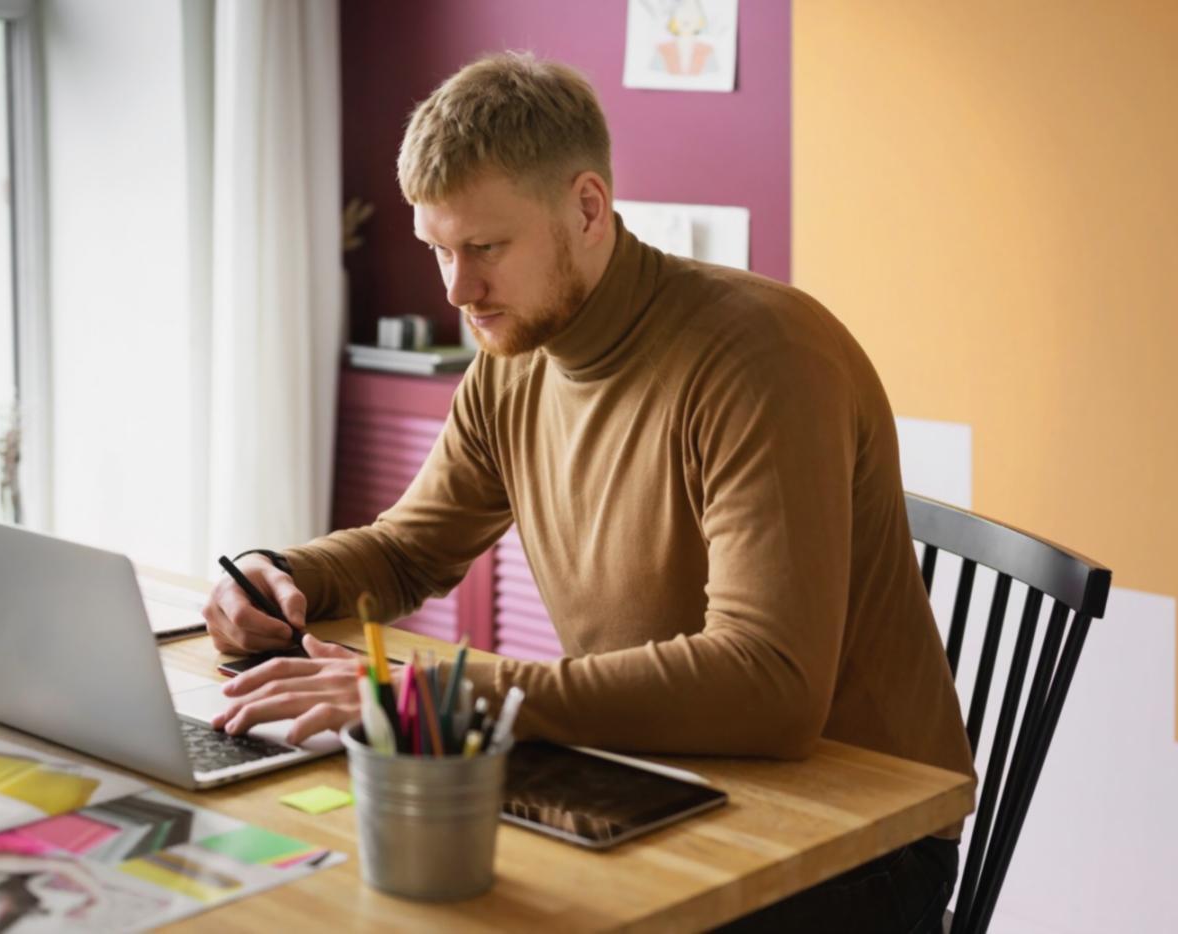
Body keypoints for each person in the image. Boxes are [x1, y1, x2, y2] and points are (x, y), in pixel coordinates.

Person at [202, 52, 973, 930]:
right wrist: (277, 574)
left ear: (588, 208)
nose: (458, 289)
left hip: (854, 842)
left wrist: (438, 699)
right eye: (438, 250)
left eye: (486, 247)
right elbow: (410, 546)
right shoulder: (517, 355)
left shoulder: (763, 359)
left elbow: (773, 685)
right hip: (649, 773)